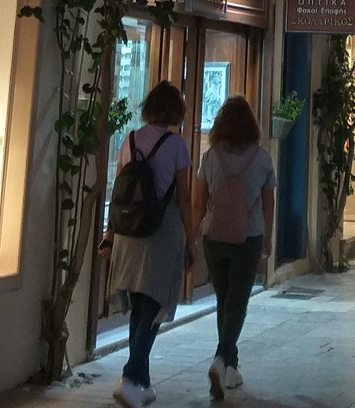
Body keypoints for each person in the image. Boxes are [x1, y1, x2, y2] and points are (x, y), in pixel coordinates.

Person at [102, 82, 196, 408]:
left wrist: (109, 233)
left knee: (140, 305)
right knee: (154, 306)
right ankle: (130, 376)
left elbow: (119, 191)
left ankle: (141, 382)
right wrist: (191, 238)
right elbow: (184, 196)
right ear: (175, 111)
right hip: (160, 234)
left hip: (129, 233)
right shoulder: (177, 145)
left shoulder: (129, 140)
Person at [194, 96, 276, 401]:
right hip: (248, 238)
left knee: (223, 299)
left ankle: (230, 366)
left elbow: (199, 203)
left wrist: (191, 235)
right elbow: (268, 206)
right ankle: (221, 358)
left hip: (213, 238)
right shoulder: (263, 158)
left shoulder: (210, 157)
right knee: (237, 303)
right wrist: (267, 238)